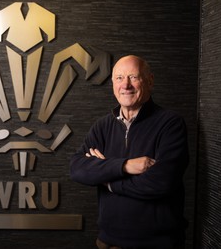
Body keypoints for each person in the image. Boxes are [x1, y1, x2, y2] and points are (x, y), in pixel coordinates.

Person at [70, 55, 189, 249]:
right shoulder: (102, 126)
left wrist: (108, 180)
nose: (126, 85)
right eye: (119, 78)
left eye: (133, 77)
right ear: (113, 84)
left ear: (150, 80)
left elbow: (161, 182)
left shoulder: (170, 124)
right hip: (107, 241)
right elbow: (77, 168)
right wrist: (125, 166)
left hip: (156, 244)